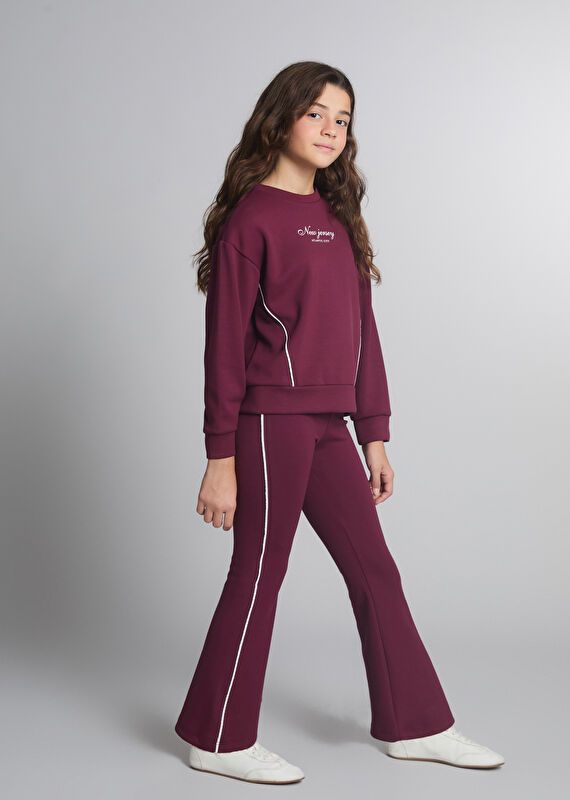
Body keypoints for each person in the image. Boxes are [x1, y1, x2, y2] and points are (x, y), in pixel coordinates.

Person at [174, 61, 505, 784]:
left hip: (329, 424)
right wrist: (219, 456)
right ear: (282, 119)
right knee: (260, 573)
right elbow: (223, 349)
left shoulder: (338, 218)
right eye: (316, 113)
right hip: (269, 424)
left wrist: (374, 433)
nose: (330, 129)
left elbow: (364, 334)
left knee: (374, 570)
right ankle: (218, 738)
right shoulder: (250, 220)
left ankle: (415, 725)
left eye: (342, 119)